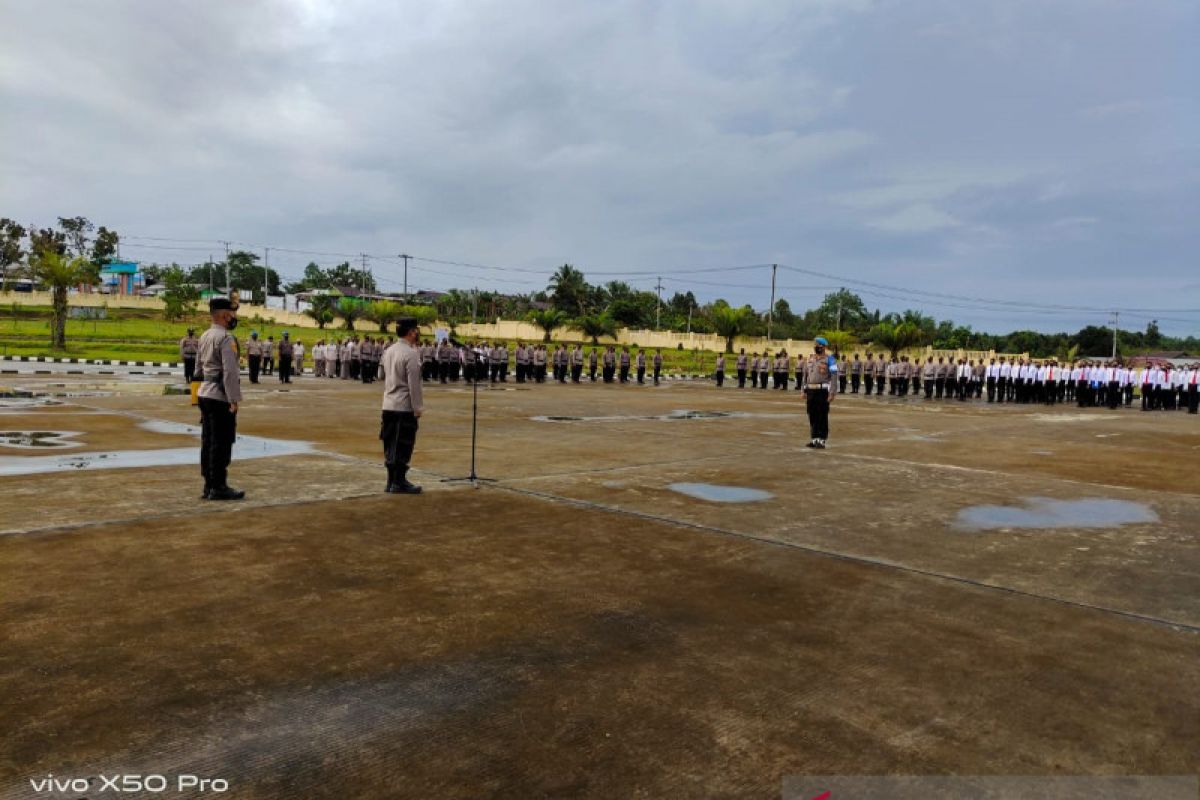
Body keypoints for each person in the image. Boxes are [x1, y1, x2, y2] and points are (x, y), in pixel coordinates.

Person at [197, 298, 244, 501]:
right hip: (219, 396)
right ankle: (219, 486)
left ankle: (208, 484)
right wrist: (233, 399)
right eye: (232, 313)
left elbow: (198, 370)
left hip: (204, 393)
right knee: (221, 442)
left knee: (208, 440)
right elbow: (230, 372)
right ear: (225, 315)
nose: (234, 317)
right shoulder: (226, 338)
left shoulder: (205, 336)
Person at [380, 317, 425, 495]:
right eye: (416, 330)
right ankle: (399, 482)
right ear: (411, 332)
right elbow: (414, 384)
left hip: (388, 404)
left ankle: (391, 481)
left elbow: (383, 375)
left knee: (390, 444)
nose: (417, 333)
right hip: (403, 406)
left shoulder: (389, 350)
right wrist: (418, 407)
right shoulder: (411, 353)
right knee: (403, 444)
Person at [803, 338, 837, 449]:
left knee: (822, 415)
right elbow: (805, 375)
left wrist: (832, 393)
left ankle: (822, 440)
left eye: (818, 345)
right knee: (812, 414)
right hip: (811, 390)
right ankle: (814, 438)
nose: (816, 346)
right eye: (815, 344)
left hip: (823, 391)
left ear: (823, 347)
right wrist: (804, 390)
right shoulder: (810, 359)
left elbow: (834, 377)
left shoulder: (830, 359)